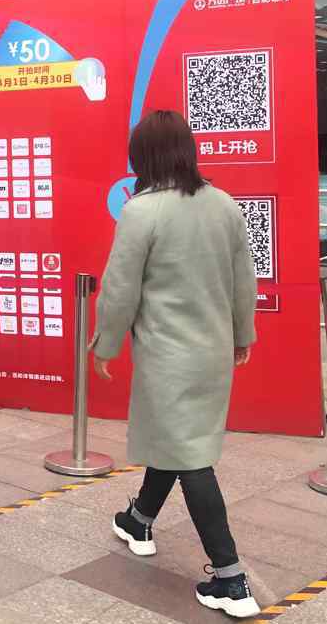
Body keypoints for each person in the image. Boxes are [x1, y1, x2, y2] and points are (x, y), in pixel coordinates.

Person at [92, 110, 260, 620]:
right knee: (180, 440)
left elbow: (120, 288)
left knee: (190, 457)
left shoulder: (141, 211)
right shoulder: (223, 204)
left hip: (168, 356)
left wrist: (105, 344)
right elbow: (243, 278)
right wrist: (243, 333)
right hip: (212, 353)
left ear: (141, 157)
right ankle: (138, 519)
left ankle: (230, 577)